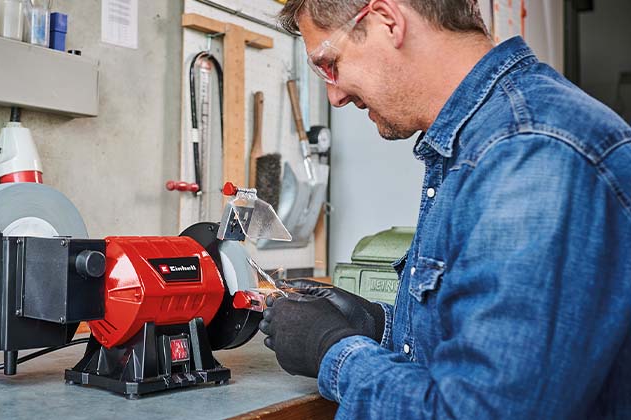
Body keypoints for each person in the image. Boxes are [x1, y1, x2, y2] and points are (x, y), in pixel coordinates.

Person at [258, 0, 631, 418]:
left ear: (387, 21)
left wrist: (332, 350)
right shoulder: (479, 143)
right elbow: (479, 346)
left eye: (329, 64)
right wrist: (375, 326)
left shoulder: (527, 152)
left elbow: (482, 411)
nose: (336, 94)